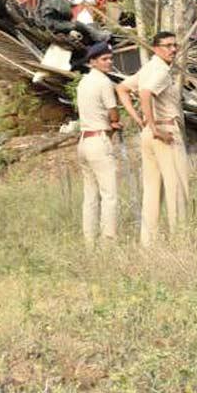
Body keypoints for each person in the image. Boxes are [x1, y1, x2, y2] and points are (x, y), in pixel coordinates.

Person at [117, 31, 189, 246]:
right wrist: (155, 127)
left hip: (149, 133)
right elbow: (146, 93)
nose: (173, 49)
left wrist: (141, 120)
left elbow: (122, 88)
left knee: (151, 190)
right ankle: (181, 241)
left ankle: (148, 243)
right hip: (164, 131)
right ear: (156, 48)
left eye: (175, 45)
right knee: (177, 188)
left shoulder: (148, 68)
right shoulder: (160, 71)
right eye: (168, 45)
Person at [76, 42, 123, 245]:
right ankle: (108, 243)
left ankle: (89, 242)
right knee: (109, 195)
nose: (109, 62)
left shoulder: (83, 82)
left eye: (110, 58)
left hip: (84, 140)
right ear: (92, 62)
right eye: (104, 59)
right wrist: (114, 121)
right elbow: (113, 110)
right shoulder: (103, 82)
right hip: (98, 140)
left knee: (90, 196)